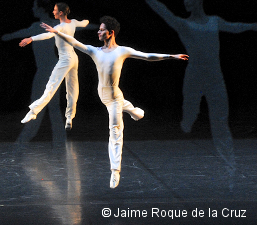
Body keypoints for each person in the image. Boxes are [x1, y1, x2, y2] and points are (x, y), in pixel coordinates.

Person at [41, 16, 188, 188]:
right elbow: (75, 42)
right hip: (104, 97)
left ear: (110, 33)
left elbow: (147, 56)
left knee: (115, 131)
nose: (98, 31)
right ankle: (136, 112)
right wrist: (56, 32)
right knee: (132, 110)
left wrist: (172, 56)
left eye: (102, 29)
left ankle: (115, 171)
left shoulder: (122, 51)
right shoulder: (95, 51)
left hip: (114, 100)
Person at [130, 0, 257, 176]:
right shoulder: (184, 24)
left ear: (200, 0)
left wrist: (254, 26)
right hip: (194, 77)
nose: (187, 2)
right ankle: (188, 120)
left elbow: (235, 27)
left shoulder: (214, 21)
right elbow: (164, 12)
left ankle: (230, 167)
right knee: (190, 113)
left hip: (215, 78)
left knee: (220, 123)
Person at [19, 2, 92, 131]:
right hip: (74, 59)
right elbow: (84, 23)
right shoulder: (73, 22)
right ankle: (69, 118)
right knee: (72, 89)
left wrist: (31, 38)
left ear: (61, 13)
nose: (53, 12)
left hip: (66, 60)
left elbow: (48, 35)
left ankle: (34, 111)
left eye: (55, 10)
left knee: (51, 86)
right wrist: (86, 21)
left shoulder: (61, 26)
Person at [2, 0, 66, 143]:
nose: (33, 9)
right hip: (52, 69)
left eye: (35, 7)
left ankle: (26, 138)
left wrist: (8, 36)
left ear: (41, 9)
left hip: (48, 70)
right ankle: (58, 140)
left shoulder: (41, 26)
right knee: (50, 105)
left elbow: (22, 33)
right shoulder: (53, 24)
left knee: (40, 104)